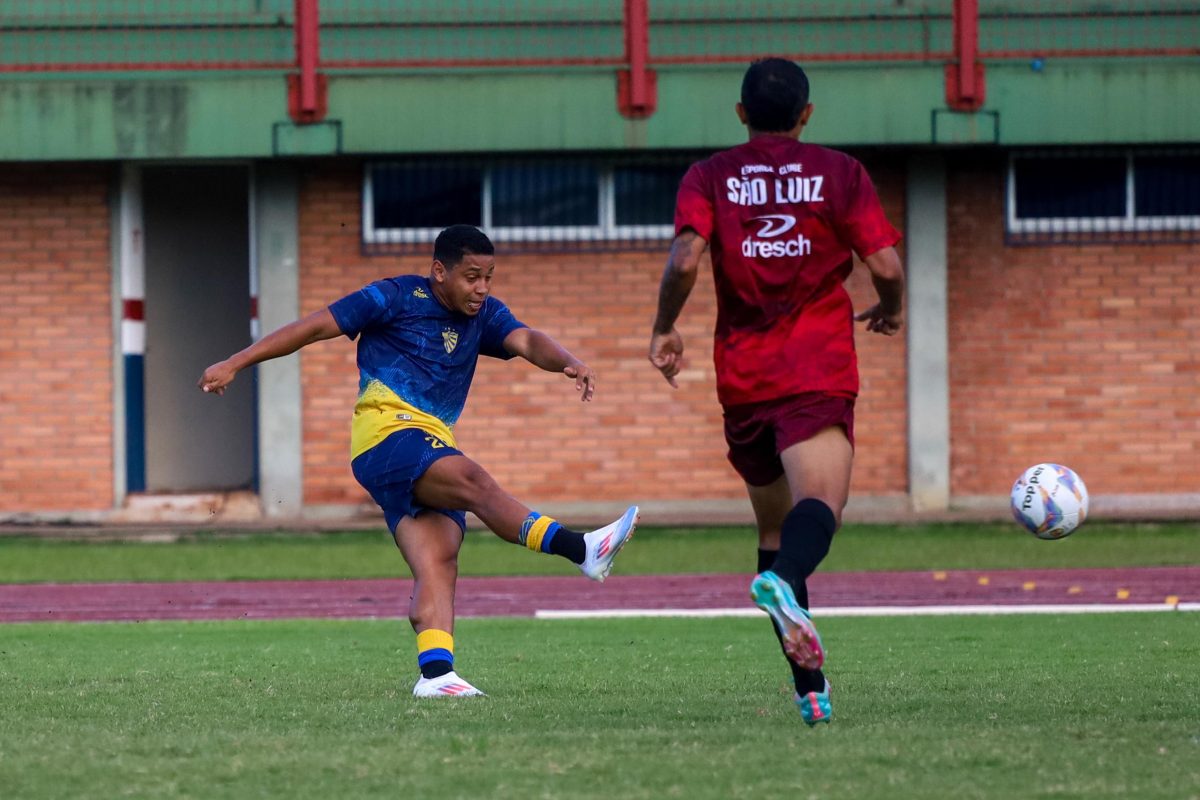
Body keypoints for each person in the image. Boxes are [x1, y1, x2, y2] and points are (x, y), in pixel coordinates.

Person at [200, 224, 638, 699]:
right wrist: (235, 362)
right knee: (472, 481)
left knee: (439, 557)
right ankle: (583, 549)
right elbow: (313, 327)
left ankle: (436, 676)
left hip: (429, 440)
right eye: (472, 276)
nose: (482, 288)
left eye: (489, 276)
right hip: (386, 435)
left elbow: (527, 341)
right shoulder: (394, 297)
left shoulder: (484, 315)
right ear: (438, 271)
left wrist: (568, 361)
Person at [647, 58, 904, 725]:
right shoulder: (840, 172)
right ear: (807, 114)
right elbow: (885, 263)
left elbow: (683, 259)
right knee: (819, 509)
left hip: (743, 379)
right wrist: (890, 304)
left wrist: (664, 328)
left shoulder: (709, 176)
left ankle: (810, 689)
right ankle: (783, 586)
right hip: (814, 370)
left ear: (741, 114)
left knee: (772, 527)